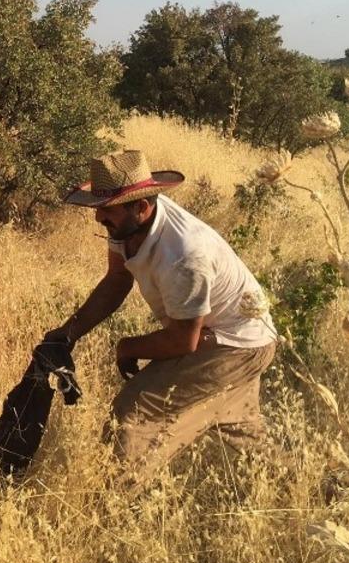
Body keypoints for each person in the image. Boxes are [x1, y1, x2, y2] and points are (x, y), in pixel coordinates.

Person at [43, 149, 277, 487]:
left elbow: (184, 341)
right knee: (243, 431)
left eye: (107, 211)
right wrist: (68, 333)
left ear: (141, 206)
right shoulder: (129, 226)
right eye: (99, 210)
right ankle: (315, 487)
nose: (99, 219)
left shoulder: (184, 256)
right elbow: (117, 279)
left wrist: (127, 347)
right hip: (233, 335)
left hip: (236, 343)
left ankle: (118, 509)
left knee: (135, 410)